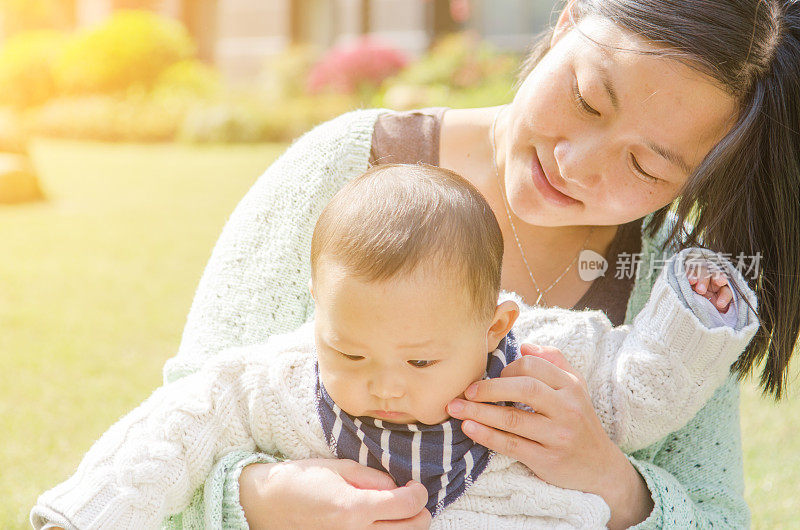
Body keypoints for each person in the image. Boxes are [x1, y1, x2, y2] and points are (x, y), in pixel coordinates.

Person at [151, 0, 800, 527]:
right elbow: (174, 429)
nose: (575, 164)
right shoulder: (345, 165)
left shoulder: (683, 296)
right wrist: (264, 499)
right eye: (586, 100)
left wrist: (613, 483)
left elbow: (718, 516)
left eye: (645, 165)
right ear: (568, 21)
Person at [31, 164, 759, 529]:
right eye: (348, 353)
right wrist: (92, 510)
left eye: (419, 361)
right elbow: (184, 419)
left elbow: (643, 396)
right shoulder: (284, 378)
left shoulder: (539, 364)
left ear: (492, 329)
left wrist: (694, 315)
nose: (382, 383)